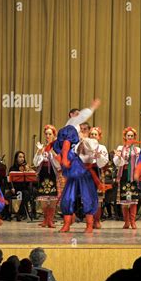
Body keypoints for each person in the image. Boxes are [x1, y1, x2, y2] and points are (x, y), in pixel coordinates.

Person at [54, 99, 102, 233]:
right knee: (68, 196)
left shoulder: (91, 142)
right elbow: (63, 148)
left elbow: (96, 158)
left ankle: (89, 225)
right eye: (81, 127)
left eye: (86, 128)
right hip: (74, 169)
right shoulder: (71, 130)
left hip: (85, 171)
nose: (83, 129)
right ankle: (67, 224)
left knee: (88, 196)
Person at [34, 125, 62, 228]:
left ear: (54, 135)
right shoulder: (42, 147)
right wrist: (39, 153)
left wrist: (52, 153)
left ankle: (50, 220)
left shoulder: (56, 147)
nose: (47, 136)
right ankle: (45, 219)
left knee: (53, 199)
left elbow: (59, 164)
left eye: (50, 134)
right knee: (44, 200)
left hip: (53, 175)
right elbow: (36, 163)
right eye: (46, 134)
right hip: (43, 174)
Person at [81, 126, 109, 229]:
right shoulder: (84, 146)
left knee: (98, 199)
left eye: (95, 134)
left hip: (97, 172)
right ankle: (89, 221)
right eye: (91, 134)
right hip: (86, 173)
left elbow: (104, 162)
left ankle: (97, 220)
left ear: (99, 136)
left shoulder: (102, 148)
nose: (93, 136)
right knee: (87, 198)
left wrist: (99, 156)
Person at [113, 127, 141, 229]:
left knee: (133, 199)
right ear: (125, 137)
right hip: (123, 174)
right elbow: (117, 162)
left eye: (132, 136)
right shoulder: (120, 148)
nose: (130, 137)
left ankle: (133, 221)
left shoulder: (137, 149)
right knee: (124, 200)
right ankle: (126, 222)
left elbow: (140, 163)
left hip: (133, 176)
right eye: (128, 135)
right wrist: (119, 157)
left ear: (134, 137)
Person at [9, 151, 36, 221]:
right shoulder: (12, 168)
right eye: (20, 157)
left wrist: (28, 171)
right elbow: (9, 180)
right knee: (21, 194)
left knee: (29, 193)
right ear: (16, 158)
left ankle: (21, 212)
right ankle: (21, 213)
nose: (22, 159)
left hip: (25, 188)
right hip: (16, 189)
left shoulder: (26, 167)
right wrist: (12, 188)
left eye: (23, 157)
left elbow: (31, 178)